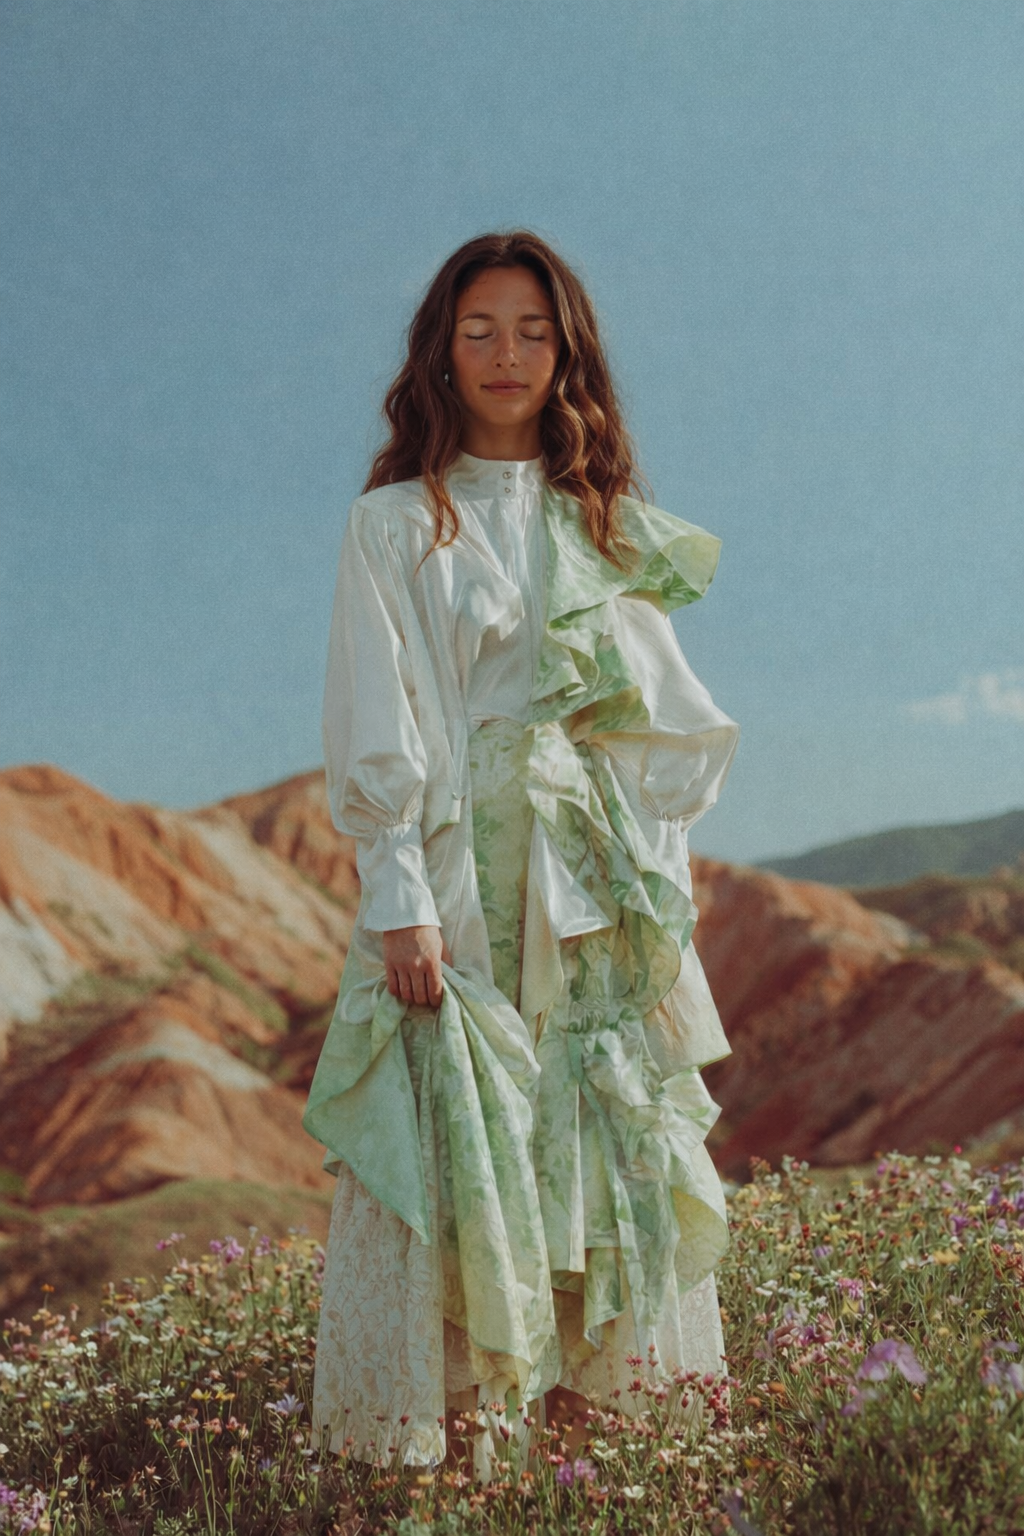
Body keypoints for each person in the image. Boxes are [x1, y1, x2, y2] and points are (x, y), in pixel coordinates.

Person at [303, 230, 740, 1479]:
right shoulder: (391, 525)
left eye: (533, 332)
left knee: (597, 1142)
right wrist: (400, 896)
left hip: (592, 887)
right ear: (442, 350)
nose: (506, 355)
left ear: (568, 355)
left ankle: (599, 1463)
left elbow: (656, 731)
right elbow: (373, 715)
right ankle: (460, 1465)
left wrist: (660, 902)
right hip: (454, 879)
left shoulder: (607, 526)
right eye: (480, 329)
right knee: (457, 1140)